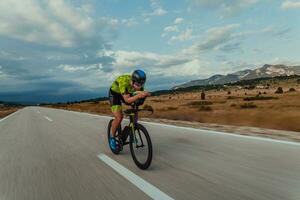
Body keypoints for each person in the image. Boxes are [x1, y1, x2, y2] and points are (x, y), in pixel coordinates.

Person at [108, 69, 150, 150]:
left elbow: (140, 95)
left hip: (127, 94)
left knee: (134, 110)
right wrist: (138, 95)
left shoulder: (139, 85)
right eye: (137, 84)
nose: (139, 86)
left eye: (141, 84)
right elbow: (127, 100)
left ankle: (132, 131)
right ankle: (112, 137)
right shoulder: (124, 82)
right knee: (119, 117)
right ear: (133, 80)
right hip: (115, 94)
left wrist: (146, 94)